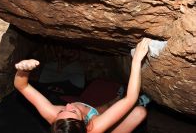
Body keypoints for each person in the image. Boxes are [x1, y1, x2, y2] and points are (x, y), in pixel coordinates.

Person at [14, 38, 151, 133]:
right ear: (85, 124)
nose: (68, 105)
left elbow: (22, 87)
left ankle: (117, 98)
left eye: (62, 111)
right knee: (139, 112)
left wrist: (23, 70)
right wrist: (137, 59)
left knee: (105, 108)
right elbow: (131, 98)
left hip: (92, 114)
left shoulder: (53, 115)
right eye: (73, 112)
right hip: (97, 124)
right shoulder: (95, 127)